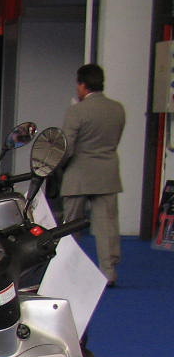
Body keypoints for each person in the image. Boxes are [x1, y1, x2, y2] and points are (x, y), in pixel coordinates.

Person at [59, 63, 127, 286]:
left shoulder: (76, 111)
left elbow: (67, 147)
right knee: (107, 226)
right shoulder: (117, 109)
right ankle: (108, 272)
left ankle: (70, 271)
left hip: (78, 174)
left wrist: (57, 168)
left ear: (82, 85)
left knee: (71, 225)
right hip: (107, 173)